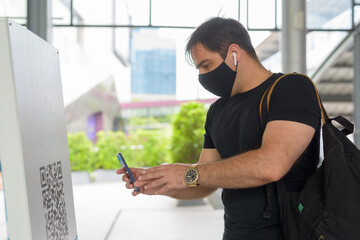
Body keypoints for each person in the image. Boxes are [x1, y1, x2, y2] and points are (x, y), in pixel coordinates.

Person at [117, 17, 320, 240]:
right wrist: (160, 182)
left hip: (289, 233)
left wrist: (185, 173)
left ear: (234, 53)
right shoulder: (217, 111)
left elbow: (271, 165)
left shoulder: (291, 89)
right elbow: (203, 182)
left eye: (206, 65)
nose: (203, 76)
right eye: (199, 69)